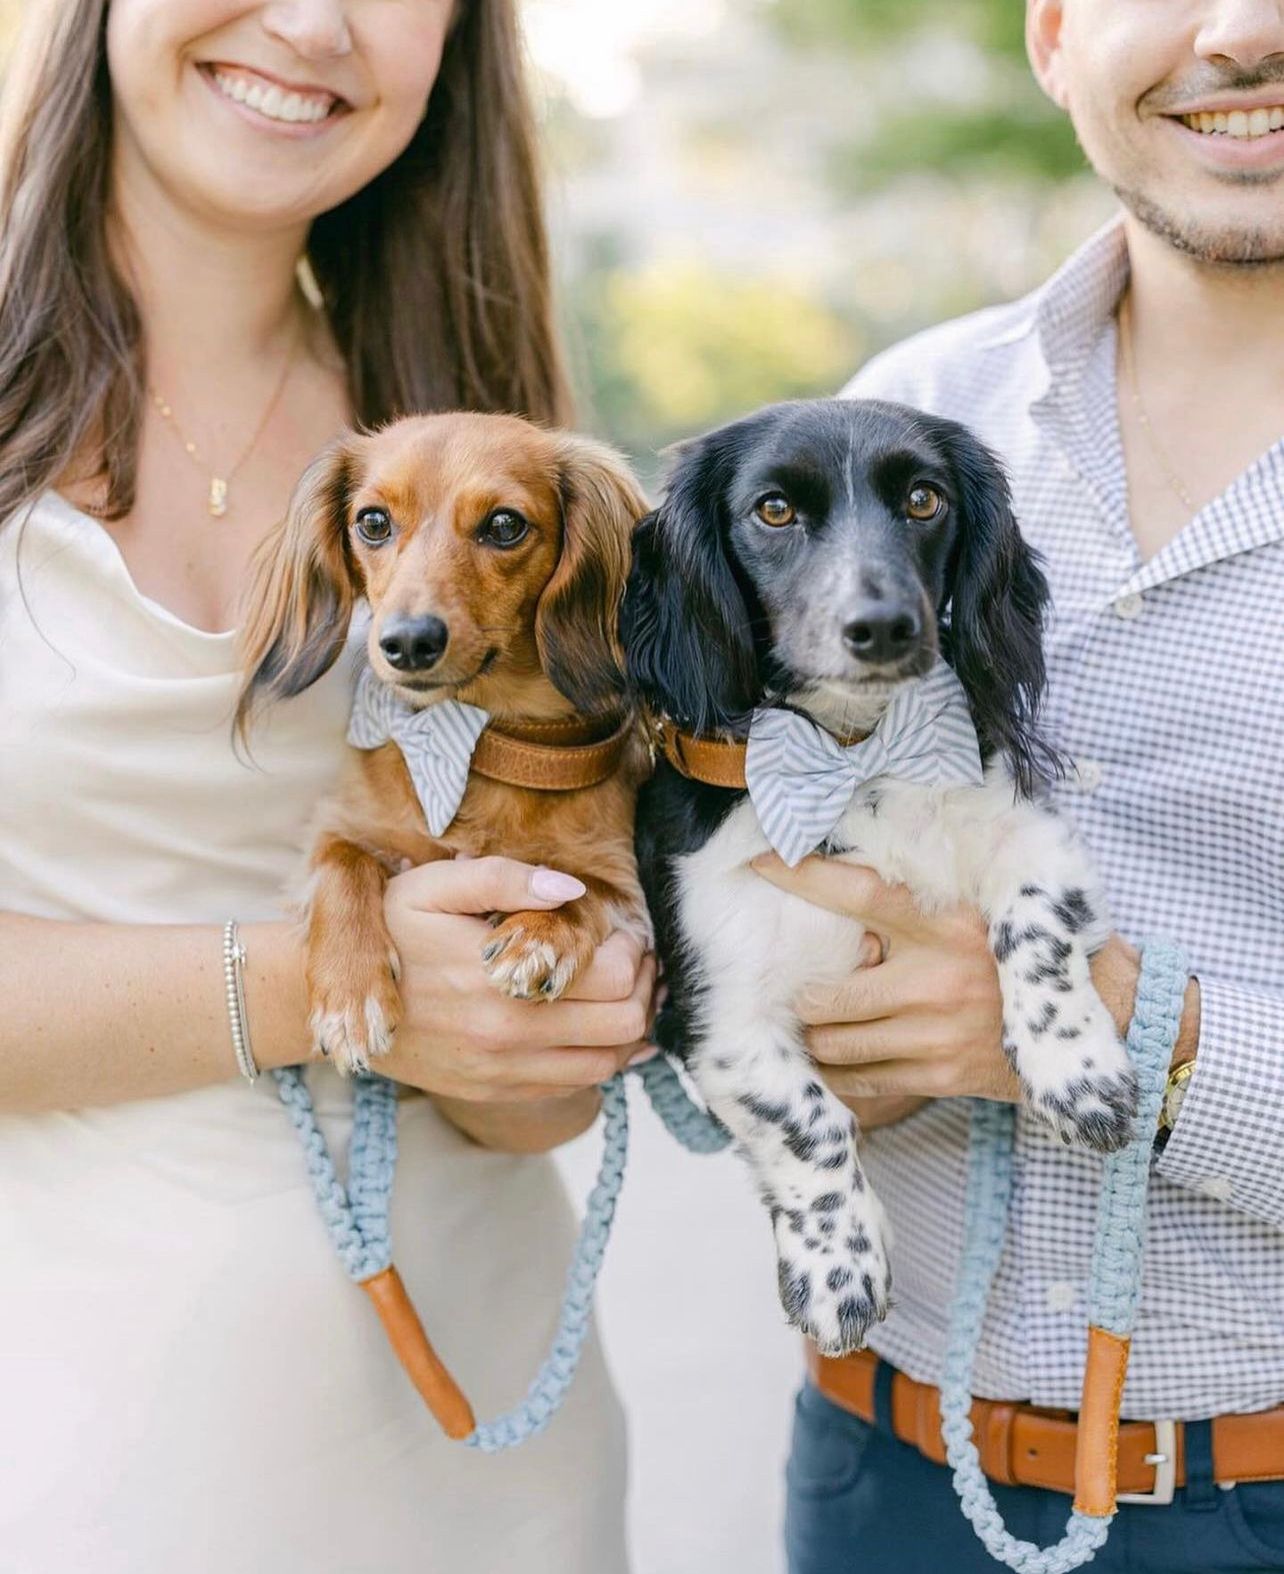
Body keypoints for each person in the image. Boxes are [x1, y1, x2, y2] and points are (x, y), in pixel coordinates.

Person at [0, 3, 654, 1570]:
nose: (309, 22)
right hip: (66, 1442)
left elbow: (534, 1102)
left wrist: (556, 1021)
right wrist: (317, 977)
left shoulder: (467, 417)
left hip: (487, 1442)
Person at [770, 2, 1284, 1571]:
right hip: (888, 1478)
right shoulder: (894, 422)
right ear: (1056, 31)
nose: (1245, 29)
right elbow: (743, 917)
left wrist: (1104, 1026)